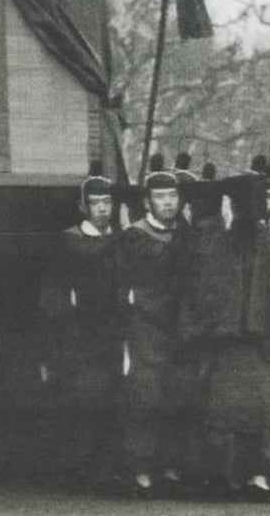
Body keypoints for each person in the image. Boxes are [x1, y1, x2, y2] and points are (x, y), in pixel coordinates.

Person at [183, 169, 270, 502]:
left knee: (260, 413)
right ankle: (236, 478)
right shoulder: (218, 241)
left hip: (255, 342)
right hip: (235, 342)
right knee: (236, 414)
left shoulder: (264, 242)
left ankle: (253, 478)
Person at [37, 160, 121, 492]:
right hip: (78, 334)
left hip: (112, 333)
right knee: (79, 402)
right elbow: (53, 292)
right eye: (96, 203)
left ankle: (105, 470)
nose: (102, 209)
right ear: (82, 206)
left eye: (107, 203)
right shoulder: (67, 242)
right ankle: (75, 470)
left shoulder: (121, 241)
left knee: (111, 402)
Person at [113, 153, 189, 498]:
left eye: (173, 196)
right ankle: (141, 471)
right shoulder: (134, 237)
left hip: (182, 327)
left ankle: (173, 469)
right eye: (160, 197)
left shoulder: (187, 235)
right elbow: (123, 285)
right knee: (146, 398)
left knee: (178, 397)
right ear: (147, 201)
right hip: (145, 327)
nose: (168, 203)